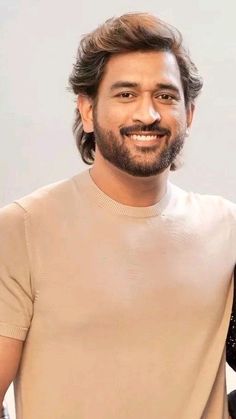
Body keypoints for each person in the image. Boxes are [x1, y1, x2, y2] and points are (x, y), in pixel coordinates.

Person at [0, 12, 235, 419]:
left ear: (189, 114)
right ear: (88, 110)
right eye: (126, 94)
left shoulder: (227, 229)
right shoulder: (22, 228)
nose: (148, 114)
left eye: (165, 95)